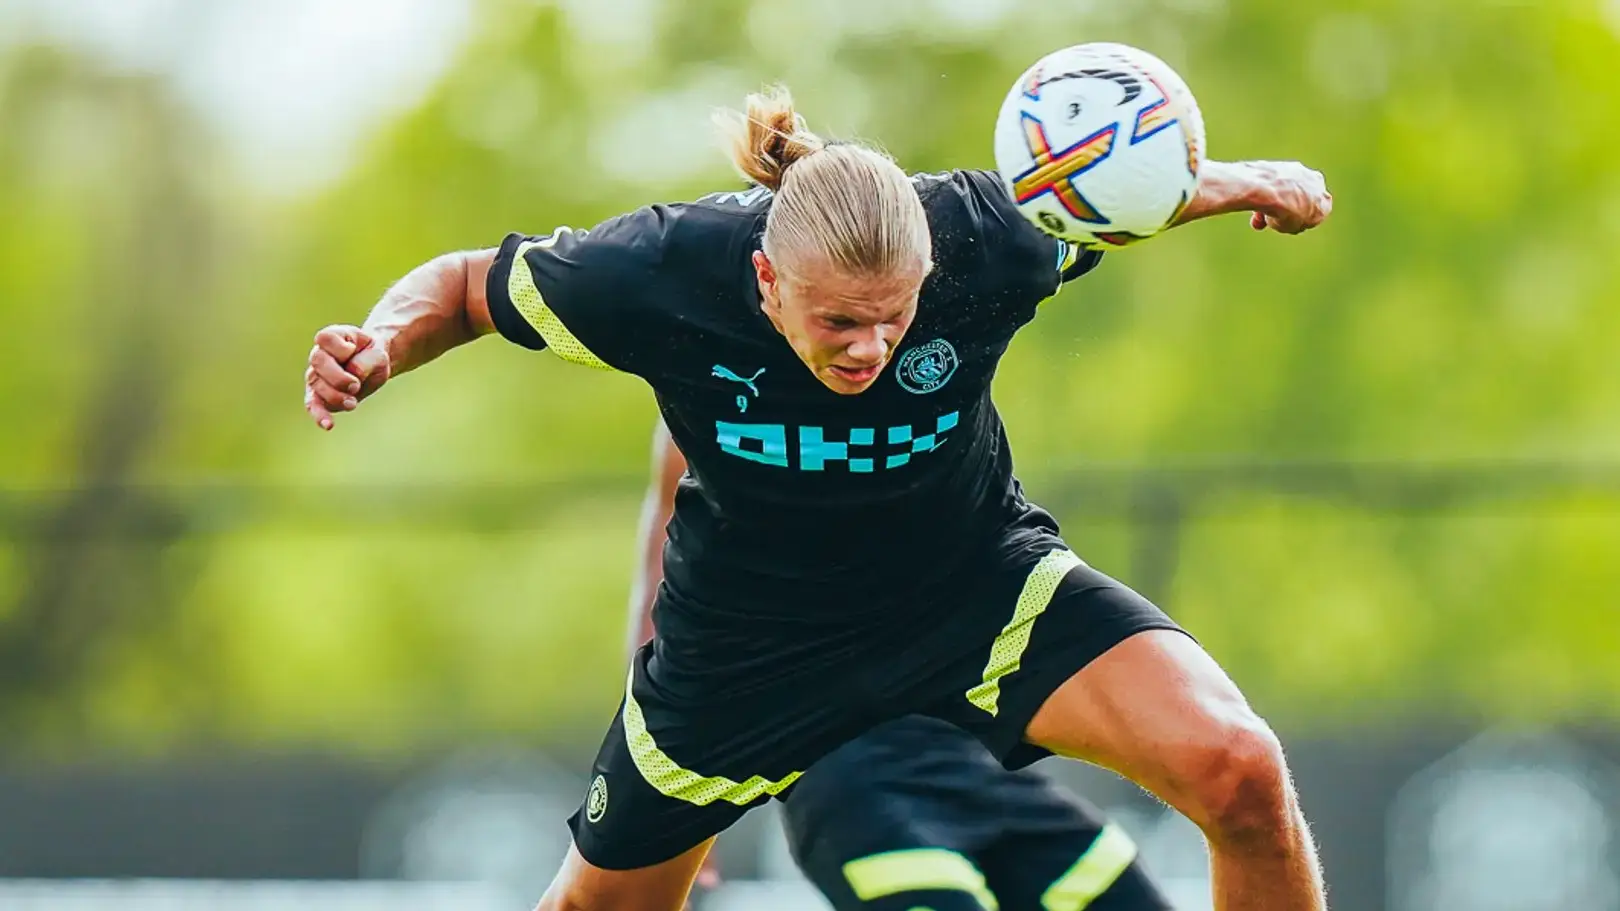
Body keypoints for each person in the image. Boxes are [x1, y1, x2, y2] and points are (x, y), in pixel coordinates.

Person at [302, 84, 1333, 911]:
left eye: (895, 317)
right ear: (765, 279)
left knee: (1241, 769)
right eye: (840, 322)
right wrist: (379, 343)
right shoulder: (660, 269)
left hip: (976, 593)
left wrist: (1245, 181)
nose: (870, 349)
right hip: (748, 648)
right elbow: (462, 287)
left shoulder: (987, 240)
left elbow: (1113, 193)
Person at [630, 420, 1175, 910]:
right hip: (845, 772)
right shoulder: (713, 396)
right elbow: (666, 587)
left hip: (973, 759)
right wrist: (672, 802)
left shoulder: (933, 382)